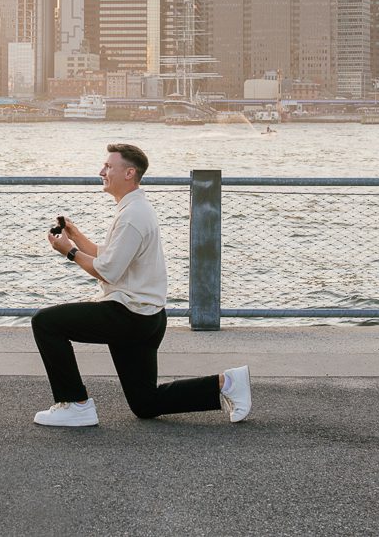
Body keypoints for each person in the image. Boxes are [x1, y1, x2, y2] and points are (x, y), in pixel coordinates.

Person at [31, 143, 252, 427]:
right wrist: (76, 238)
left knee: (46, 322)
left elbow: (108, 271)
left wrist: (69, 252)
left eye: (108, 166)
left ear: (129, 172)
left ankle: (75, 404)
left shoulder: (133, 215)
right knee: (146, 403)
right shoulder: (133, 209)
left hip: (129, 315)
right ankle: (228, 382)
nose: (102, 171)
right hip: (146, 317)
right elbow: (109, 256)